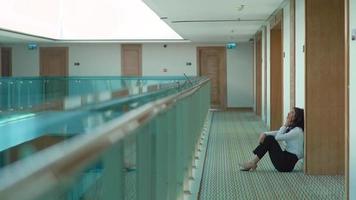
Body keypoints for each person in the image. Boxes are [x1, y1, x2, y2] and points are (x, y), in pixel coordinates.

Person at [239, 107, 304, 172]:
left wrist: (285, 125)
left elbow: (278, 137)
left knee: (270, 139)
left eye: (292, 112)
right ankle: (253, 162)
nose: (289, 113)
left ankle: (252, 162)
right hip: (285, 160)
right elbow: (279, 133)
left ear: (297, 117)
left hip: (285, 165)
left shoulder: (297, 131)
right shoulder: (293, 128)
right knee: (269, 138)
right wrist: (265, 133)